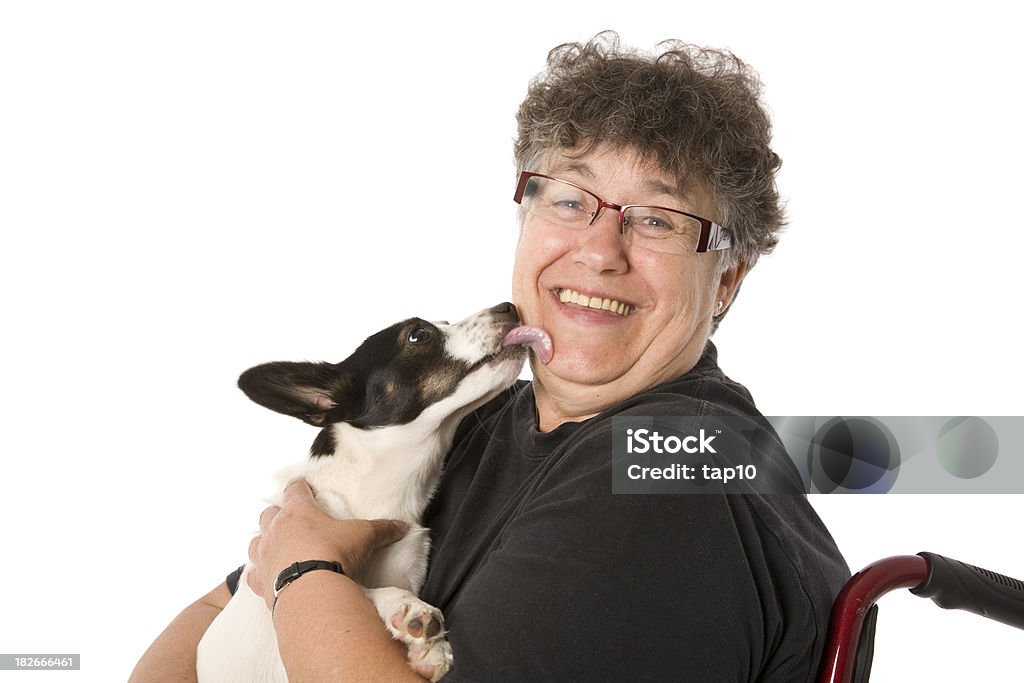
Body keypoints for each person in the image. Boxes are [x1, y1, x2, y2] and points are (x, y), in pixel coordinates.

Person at [131, 32, 850, 682]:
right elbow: (225, 608)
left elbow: (285, 570)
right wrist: (298, 571)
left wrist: (306, 568)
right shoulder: (478, 420)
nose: (599, 252)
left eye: (657, 219)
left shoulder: (665, 466)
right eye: (570, 200)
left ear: (727, 276)